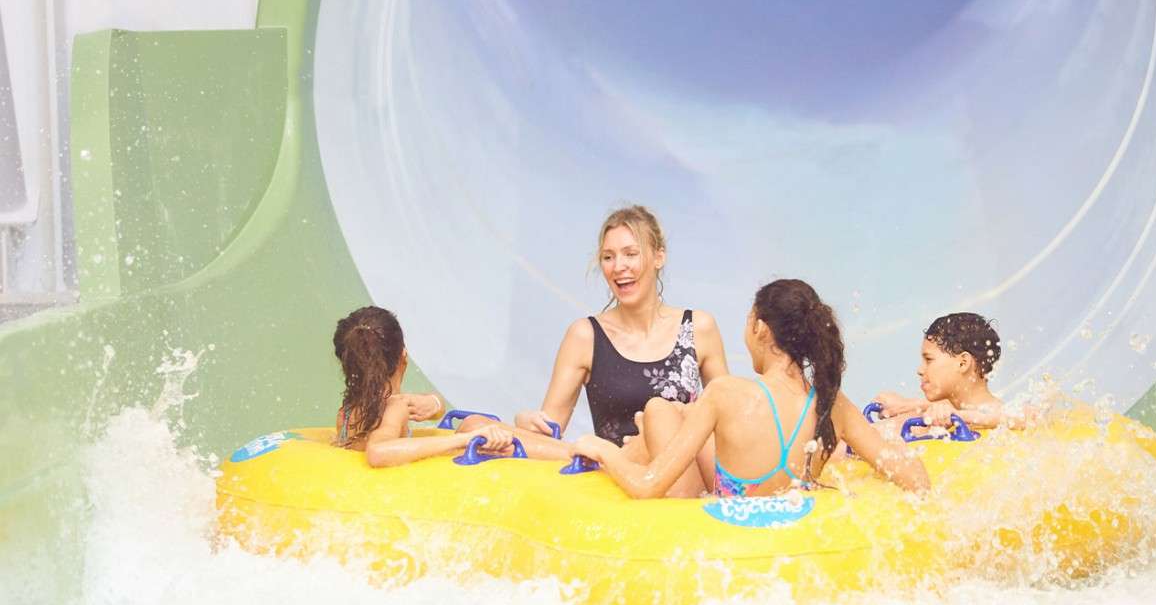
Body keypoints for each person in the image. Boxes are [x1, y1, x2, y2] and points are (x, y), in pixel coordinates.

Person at [573, 279, 930, 498]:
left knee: (657, 412)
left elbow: (648, 486)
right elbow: (915, 479)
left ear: (760, 328)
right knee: (663, 412)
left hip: (726, 542)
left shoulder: (726, 394)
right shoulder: (831, 403)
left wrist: (603, 450)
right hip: (788, 532)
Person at [513, 205, 729, 496]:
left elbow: (726, 426)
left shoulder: (699, 328)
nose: (619, 266)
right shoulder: (585, 336)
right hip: (617, 493)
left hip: (687, 495)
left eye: (631, 253)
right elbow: (550, 432)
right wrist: (526, 425)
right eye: (608, 257)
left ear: (658, 257)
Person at [333, 306, 568, 467]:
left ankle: (547, 440)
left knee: (471, 425)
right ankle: (571, 453)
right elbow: (378, 452)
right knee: (473, 425)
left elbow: (431, 410)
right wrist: (465, 440)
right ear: (403, 356)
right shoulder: (395, 408)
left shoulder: (346, 413)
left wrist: (434, 403)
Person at [874, 312, 1025, 431]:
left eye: (929, 360)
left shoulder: (1008, 416)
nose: (920, 370)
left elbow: (1034, 416)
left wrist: (959, 416)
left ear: (963, 363)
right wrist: (909, 405)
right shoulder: (935, 417)